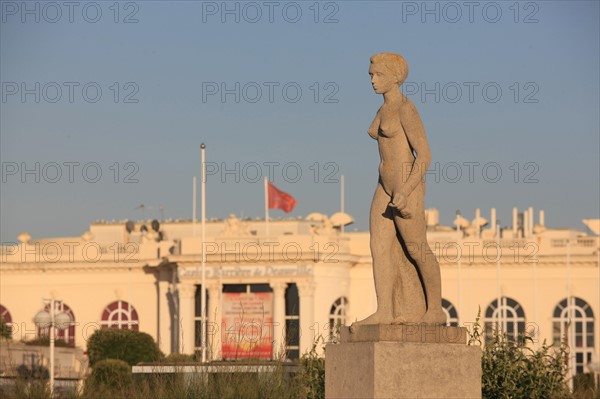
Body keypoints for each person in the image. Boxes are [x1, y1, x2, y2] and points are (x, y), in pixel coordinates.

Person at [354, 53, 446, 326]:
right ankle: (385, 310)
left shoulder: (406, 109)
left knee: (417, 248)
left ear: (395, 77)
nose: (372, 80)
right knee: (379, 246)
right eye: (371, 74)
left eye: (378, 75)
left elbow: (425, 155)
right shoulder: (382, 110)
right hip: (383, 185)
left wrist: (406, 191)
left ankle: (435, 310)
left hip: (406, 187)